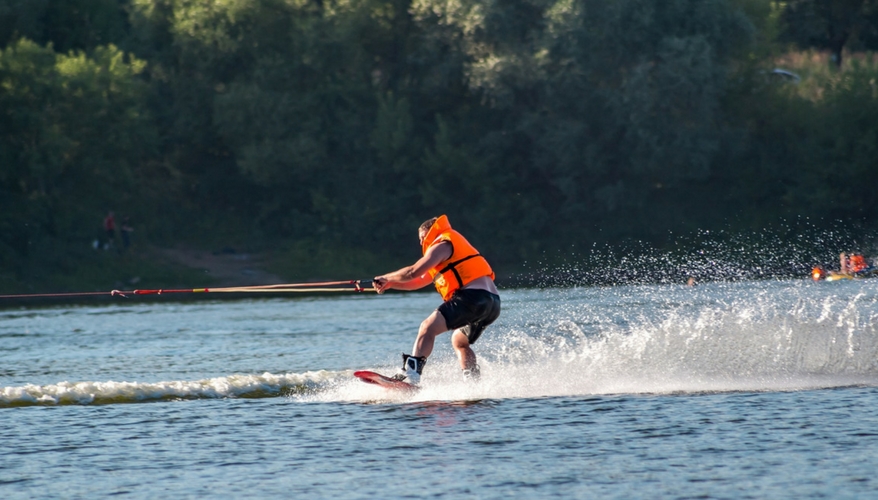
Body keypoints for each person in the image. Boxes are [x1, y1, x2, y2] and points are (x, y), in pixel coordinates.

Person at [373, 215, 501, 384]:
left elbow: (412, 272)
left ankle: (411, 375)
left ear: (431, 231)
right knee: (460, 342)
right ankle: (472, 381)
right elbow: (418, 281)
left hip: (473, 298)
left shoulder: (443, 244)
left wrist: (386, 276)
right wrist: (391, 284)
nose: (421, 243)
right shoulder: (448, 251)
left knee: (427, 328)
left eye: (422, 238)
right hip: (492, 304)